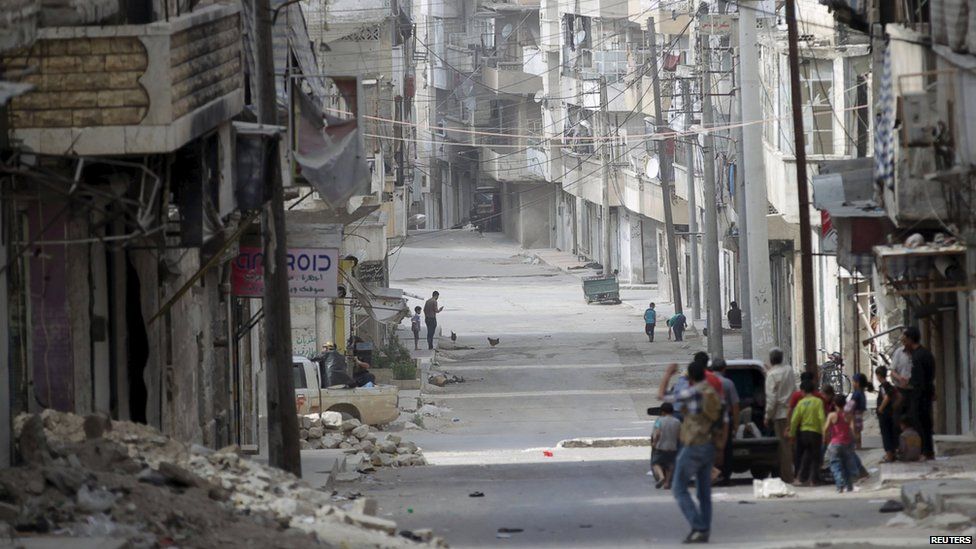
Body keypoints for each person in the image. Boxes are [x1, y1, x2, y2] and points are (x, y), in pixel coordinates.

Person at [658, 361, 722, 544]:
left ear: (691, 378)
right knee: (703, 492)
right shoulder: (711, 392)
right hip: (709, 443)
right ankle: (705, 530)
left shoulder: (693, 392)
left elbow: (662, 396)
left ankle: (699, 526)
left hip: (694, 444)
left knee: (678, 487)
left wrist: (668, 373)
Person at [764, 347, 796, 483]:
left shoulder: (772, 375)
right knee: (794, 445)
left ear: (771, 359)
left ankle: (787, 477)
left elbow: (772, 400)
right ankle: (799, 473)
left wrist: (767, 417)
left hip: (781, 415)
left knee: (784, 448)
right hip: (793, 412)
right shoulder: (789, 370)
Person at [903, 327, 936, 459]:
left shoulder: (917, 357)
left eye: (904, 340)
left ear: (910, 340)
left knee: (920, 423)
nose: (904, 344)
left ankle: (924, 451)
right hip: (926, 394)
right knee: (926, 423)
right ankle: (928, 451)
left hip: (920, 395)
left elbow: (919, 379)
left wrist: (909, 383)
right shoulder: (927, 354)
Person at [788, 380, 826, 487]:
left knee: (807, 455)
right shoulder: (817, 402)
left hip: (804, 433)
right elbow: (821, 417)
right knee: (816, 457)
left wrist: (792, 433)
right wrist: (825, 431)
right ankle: (814, 480)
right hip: (815, 433)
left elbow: (795, 420)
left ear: (803, 391)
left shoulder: (800, 403)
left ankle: (801, 477)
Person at [711, 358, 740, 485]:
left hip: (709, 420)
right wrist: (736, 424)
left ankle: (712, 474)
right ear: (724, 369)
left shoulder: (706, 382)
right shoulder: (728, 383)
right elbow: (735, 405)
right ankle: (725, 476)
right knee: (726, 448)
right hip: (724, 421)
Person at [823, 395, 859, 493]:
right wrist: (854, 440)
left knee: (835, 465)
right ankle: (849, 486)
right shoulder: (849, 415)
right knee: (846, 465)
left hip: (835, 444)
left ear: (834, 404)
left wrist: (825, 440)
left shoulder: (832, 415)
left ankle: (840, 485)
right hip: (847, 444)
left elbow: (825, 429)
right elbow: (853, 429)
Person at [650, 402, 681, 489]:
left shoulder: (659, 420)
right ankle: (667, 483)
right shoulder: (677, 421)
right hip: (672, 446)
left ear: (663, 412)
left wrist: (655, 442)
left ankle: (661, 477)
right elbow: (679, 435)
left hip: (661, 446)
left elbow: (657, 432)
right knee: (669, 465)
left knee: (655, 463)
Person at [875, 366, 901, 463]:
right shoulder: (890, 386)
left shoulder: (883, 387)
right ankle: (893, 453)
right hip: (890, 414)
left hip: (884, 415)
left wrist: (880, 409)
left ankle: (889, 455)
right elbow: (899, 397)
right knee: (891, 433)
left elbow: (886, 397)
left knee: (886, 434)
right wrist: (893, 407)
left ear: (879, 375)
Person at [845, 373, 873, 450]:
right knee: (857, 431)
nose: (853, 383)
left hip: (855, 414)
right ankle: (858, 445)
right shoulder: (861, 393)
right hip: (859, 413)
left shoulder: (857, 393)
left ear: (858, 383)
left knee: (854, 430)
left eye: (853, 381)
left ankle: (856, 446)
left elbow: (851, 404)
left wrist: (846, 411)